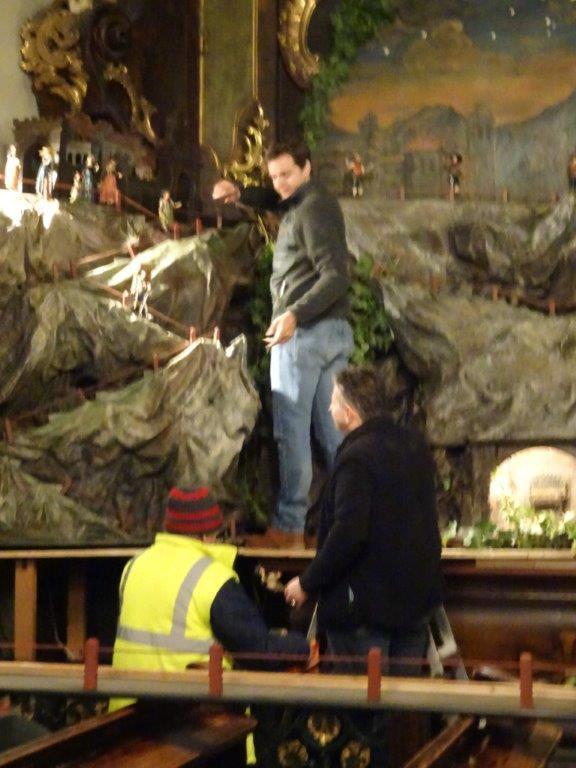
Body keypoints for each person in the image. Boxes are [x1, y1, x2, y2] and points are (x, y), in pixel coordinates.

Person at [213, 139, 354, 548]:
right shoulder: (310, 201)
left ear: (307, 168)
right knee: (335, 439)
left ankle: (289, 529)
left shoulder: (310, 211)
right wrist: (242, 193)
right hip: (330, 333)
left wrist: (293, 314)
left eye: (287, 174)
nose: (280, 184)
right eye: (274, 177)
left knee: (291, 434)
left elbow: (335, 276)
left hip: (302, 336)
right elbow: (275, 200)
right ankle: (350, 525)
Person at [284, 365, 443, 676]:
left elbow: (349, 533)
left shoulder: (357, 458)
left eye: (333, 402)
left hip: (363, 607)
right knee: (403, 700)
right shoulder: (415, 447)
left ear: (349, 413)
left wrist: (307, 582)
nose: (328, 409)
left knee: (364, 700)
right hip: (416, 602)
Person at [111, 485, 309, 711]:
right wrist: (301, 645)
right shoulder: (212, 579)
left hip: (126, 713)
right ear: (206, 536)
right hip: (188, 719)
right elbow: (258, 652)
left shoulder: (133, 566)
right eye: (218, 535)